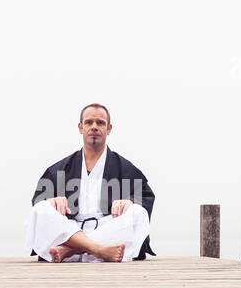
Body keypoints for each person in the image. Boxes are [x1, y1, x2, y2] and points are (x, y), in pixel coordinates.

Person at [25, 103, 156, 263]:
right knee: (41, 209)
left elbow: (145, 197)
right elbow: (39, 204)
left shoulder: (124, 167)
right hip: (71, 229)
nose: (94, 127)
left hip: (107, 229)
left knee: (137, 212)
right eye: (89, 122)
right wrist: (51, 201)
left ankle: (71, 250)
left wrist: (129, 202)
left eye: (100, 123)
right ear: (80, 127)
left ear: (109, 129)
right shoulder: (59, 169)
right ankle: (97, 250)